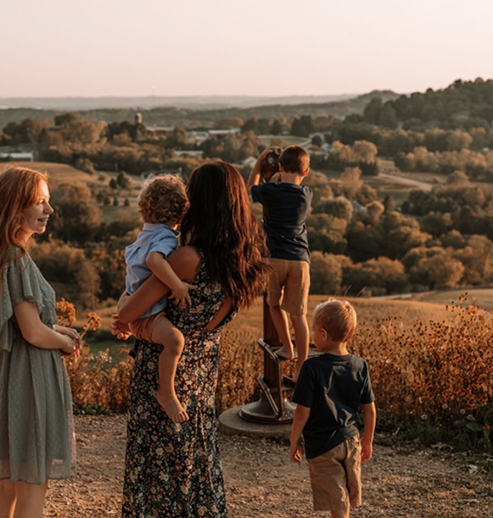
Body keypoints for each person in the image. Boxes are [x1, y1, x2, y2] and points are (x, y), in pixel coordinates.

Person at [112, 161, 269, 518]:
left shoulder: (185, 260)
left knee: (155, 473)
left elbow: (129, 311)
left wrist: (127, 316)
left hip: (161, 378)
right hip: (200, 379)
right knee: (196, 465)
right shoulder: (244, 264)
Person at [0, 166, 81, 518]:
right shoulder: (15, 258)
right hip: (29, 378)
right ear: (16, 207)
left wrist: (59, 329)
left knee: (11, 482)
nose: (49, 210)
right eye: (41, 202)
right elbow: (32, 332)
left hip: (11, 374)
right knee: (34, 482)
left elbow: (24, 323)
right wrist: (64, 344)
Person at [289, 299, 377, 518]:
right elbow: (370, 409)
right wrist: (367, 440)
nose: (313, 336)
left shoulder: (311, 367)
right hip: (351, 439)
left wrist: (293, 440)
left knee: (336, 499)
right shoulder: (360, 365)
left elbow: (302, 411)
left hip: (323, 445)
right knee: (344, 494)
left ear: (324, 334)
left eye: (314, 331)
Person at [122, 174, 192, 423]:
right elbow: (154, 261)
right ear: (180, 213)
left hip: (134, 309)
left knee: (173, 340)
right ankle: (167, 392)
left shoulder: (144, 234)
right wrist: (178, 286)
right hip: (148, 316)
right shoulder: (165, 237)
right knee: (175, 341)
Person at [247, 145, 313, 378]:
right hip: (299, 261)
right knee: (299, 316)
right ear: (306, 172)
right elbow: (290, 181)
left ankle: (287, 347)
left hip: (274, 258)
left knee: (274, 304)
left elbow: (251, 187)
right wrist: (282, 170)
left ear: (281, 167)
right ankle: (302, 365)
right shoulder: (306, 194)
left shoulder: (270, 193)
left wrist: (261, 161)